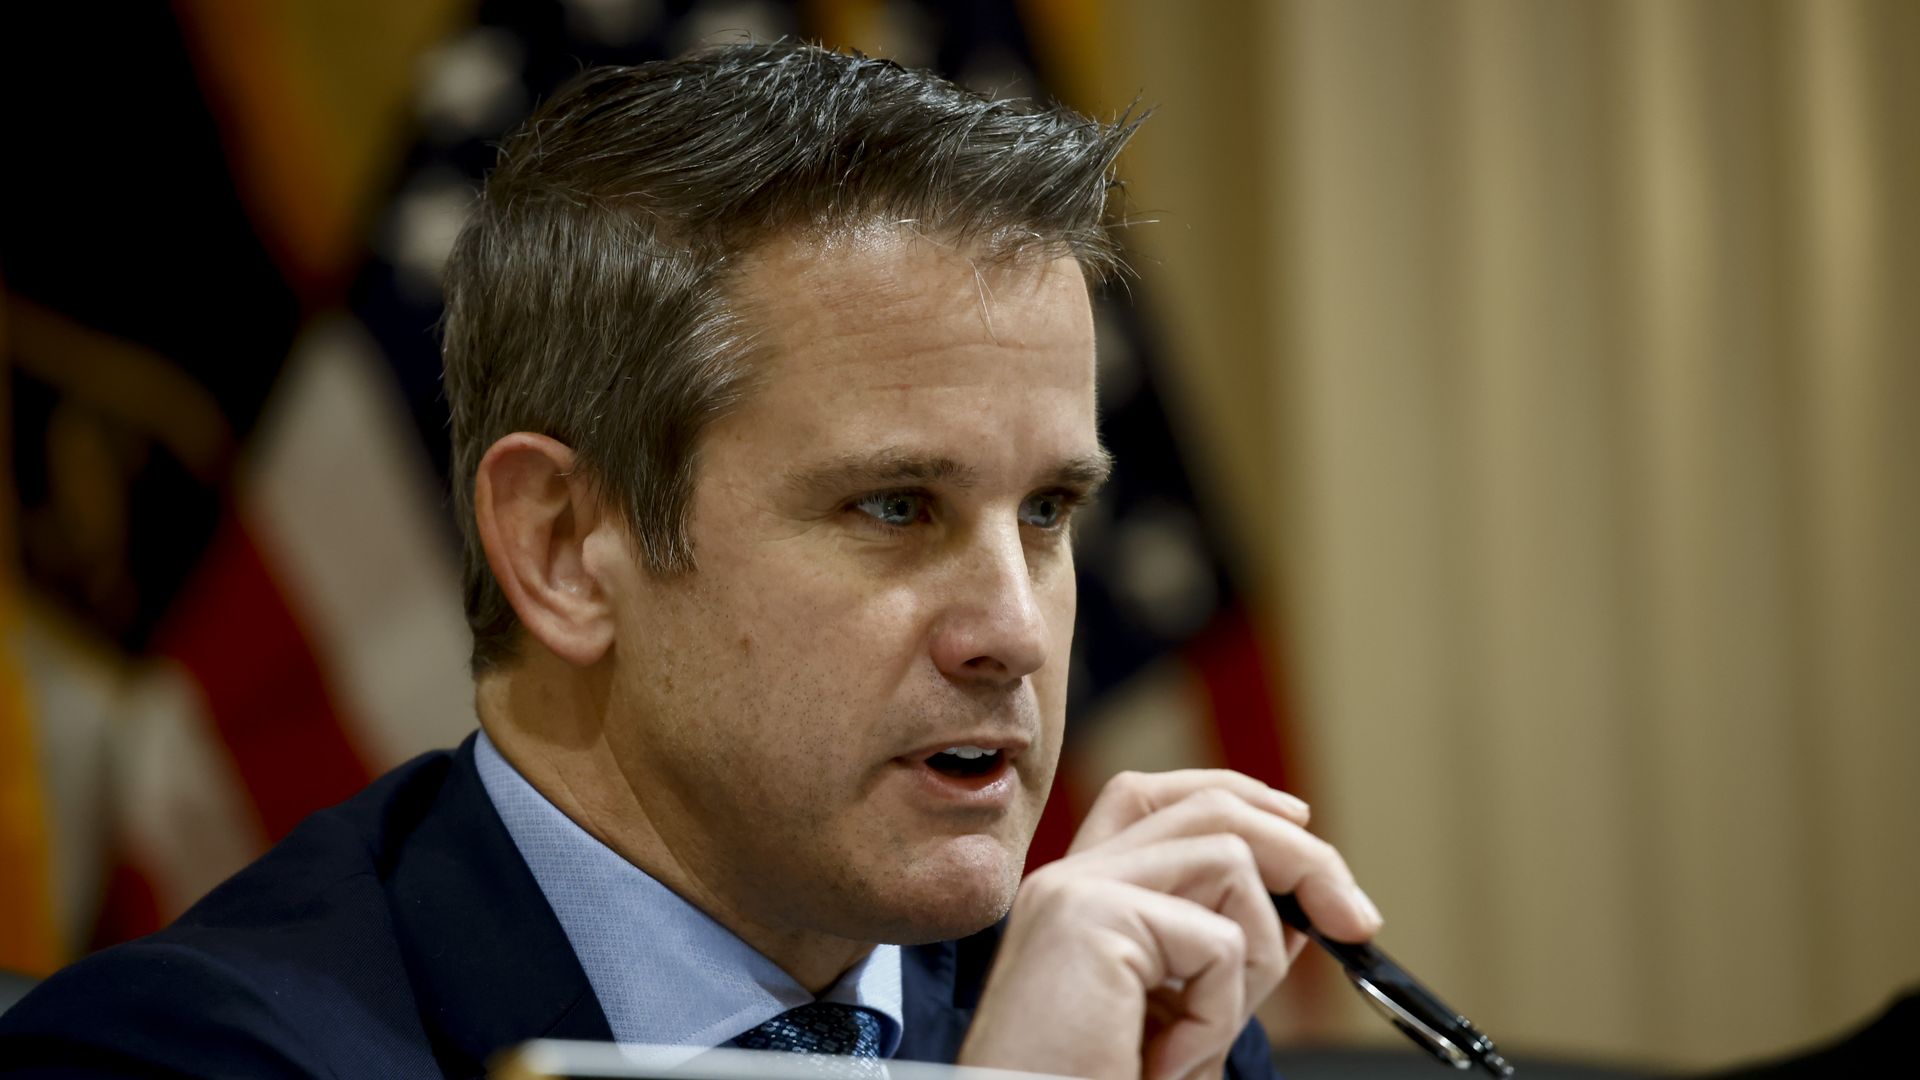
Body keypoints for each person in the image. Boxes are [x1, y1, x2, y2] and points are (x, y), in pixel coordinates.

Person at [0, 42, 1381, 1079]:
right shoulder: (186, 1056)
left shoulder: (1135, 1025)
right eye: (896, 508)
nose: (1014, 632)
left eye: (1047, 513)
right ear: (564, 548)